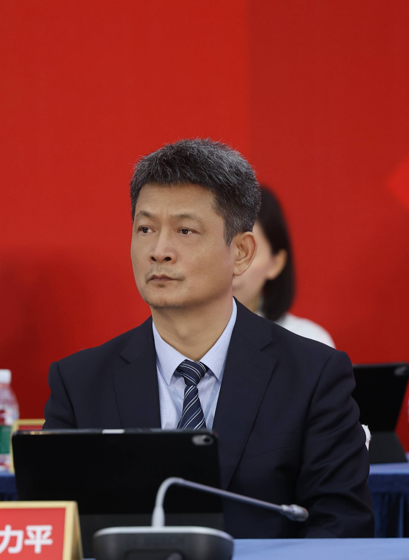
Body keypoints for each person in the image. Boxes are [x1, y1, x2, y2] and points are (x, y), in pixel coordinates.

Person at [44, 139, 373, 538]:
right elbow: (52, 534)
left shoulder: (313, 376)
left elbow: (342, 526)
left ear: (241, 252)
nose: (159, 251)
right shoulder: (79, 384)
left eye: (185, 230)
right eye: (146, 229)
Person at [233, 186, 335, 347]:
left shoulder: (308, 343)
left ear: (275, 264)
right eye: (220, 248)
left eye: (246, 252)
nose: (231, 265)